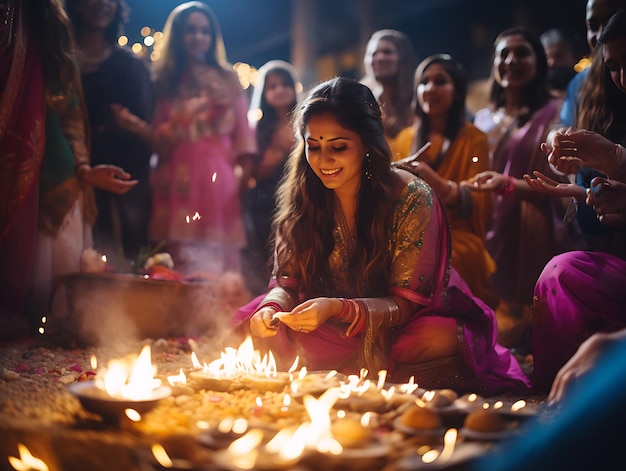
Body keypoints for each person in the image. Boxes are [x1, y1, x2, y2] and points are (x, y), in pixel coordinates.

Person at [231, 77, 531, 395]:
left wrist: (338, 308)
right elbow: (287, 283)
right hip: (328, 327)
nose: (323, 161)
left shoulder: (410, 195)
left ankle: (346, 365)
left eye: (339, 147)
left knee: (435, 337)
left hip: (398, 326)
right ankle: (350, 364)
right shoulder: (305, 194)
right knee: (257, 320)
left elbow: (407, 305)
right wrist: (273, 310)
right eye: (313, 146)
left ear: (367, 144)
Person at [1, 0, 134, 338]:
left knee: (42, 315)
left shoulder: (52, 31)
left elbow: (68, 113)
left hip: (49, 172)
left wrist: (84, 170)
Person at [469, 27, 584, 349]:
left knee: (532, 330)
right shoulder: (482, 119)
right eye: (503, 54)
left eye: (522, 53)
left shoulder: (555, 112)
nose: (511, 61)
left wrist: (507, 186)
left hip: (531, 227)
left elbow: (558, 181)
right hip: (486, 223)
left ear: (539, 63)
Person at [148, 1, 256, 277]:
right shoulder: (166, 79)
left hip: (217, 178)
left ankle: (217, 318)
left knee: (218, 265)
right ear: (178, 35)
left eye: (205, 31)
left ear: (213, 36)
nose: (198, 37)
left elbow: (243, 136)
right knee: (176, 260)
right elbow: (157, 136)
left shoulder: (227, 77)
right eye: (190, 30)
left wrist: (241, 187)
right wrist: (183, 116)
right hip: (176, 176)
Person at [402, 54, 497, 309]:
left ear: (456, 93)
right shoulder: (403, 139)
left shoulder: (473, 138)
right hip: (409, 234)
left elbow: (478, 197)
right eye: (424, 82)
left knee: (458, 257)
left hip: (457, 234)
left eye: (440, 81)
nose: (430, 88)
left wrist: (430, 177)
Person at [66, 0, 156, 266]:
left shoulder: (131, 66)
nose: (101, 4)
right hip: (72, 170)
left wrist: (130, 124)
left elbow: (149, 129)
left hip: (125, 175)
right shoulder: (59, 60)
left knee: (124, 256)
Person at [241, 60, 300, 296]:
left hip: (297, 198)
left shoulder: (306, 122)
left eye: (285, 84)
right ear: (264, 93)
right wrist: (278, 148)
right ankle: (261, 300)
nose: (280, 90)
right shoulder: (258, 129)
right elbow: (254, 173)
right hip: (265, 202)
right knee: (264, 254)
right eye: (272, 86)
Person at [361, 29, 418, 161]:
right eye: (373, 54)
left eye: (387, 52)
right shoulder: (362, 103)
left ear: (404, 58)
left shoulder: (422, 98)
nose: (379, 58)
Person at [539, 28, 580, 99]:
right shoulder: (536, 92)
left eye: (558, 56)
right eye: (547, 58)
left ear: (574, 57)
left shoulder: (587, 87)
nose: (551, 63)